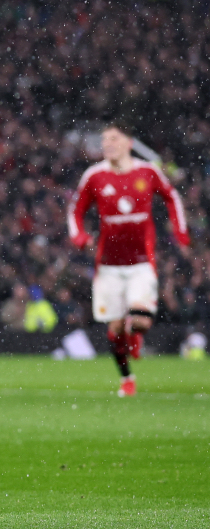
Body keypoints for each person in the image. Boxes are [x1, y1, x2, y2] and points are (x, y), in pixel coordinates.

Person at [68, 122, 190, 396]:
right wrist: (80, 238)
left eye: (113, 139)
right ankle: (127, 379)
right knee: (114, 330)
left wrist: (180, 233)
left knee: (140, 321)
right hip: (108, 267)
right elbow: (75, 210)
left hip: (141, 264)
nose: (107, 144)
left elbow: (172, 198)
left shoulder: (147, 172)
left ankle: (135, 332)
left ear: (128, 143)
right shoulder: (94, 176)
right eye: (104, 140)